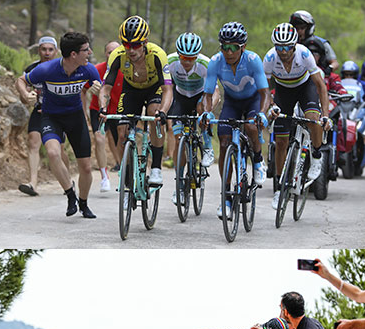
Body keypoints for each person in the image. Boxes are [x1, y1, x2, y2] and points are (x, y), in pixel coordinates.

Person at [17, 31, 101, 218]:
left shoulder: (88, 69)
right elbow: (21, 80)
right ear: (73, 54)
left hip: (75, 118)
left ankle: (84, 204)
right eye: (86, 50)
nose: (89, 53)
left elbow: (102, 92)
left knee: (86, 167)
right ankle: (70, 194)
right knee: (54, 152)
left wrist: (99, 91)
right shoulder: (47, 69)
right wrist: (25, 94)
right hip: (51, 117)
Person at [202, 22, 269, 220]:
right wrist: (207, 112)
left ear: (243, 47)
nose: (228, 52)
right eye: (224, 47)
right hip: (232, 102)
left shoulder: (253, 60)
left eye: (233, 47)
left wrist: (263, 113)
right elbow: (207, 93)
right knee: (224, 142)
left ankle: (257, 159)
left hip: (253, 100)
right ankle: (227, 197)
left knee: (250, 125)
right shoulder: (216, 61)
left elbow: (264, 92)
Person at [99, 17, 173, 187]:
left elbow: (168, 90)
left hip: (155, 88)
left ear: (145, 42)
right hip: (131, 89)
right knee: (122, 129)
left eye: (136, 45)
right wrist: (103, 108)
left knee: (154, 114)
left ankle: (155, 167)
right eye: (126, 44)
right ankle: (127, 178)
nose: (131, 50)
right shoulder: (117, 55)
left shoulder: (158, 55)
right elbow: (106, 88)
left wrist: (163, 112)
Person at [263, 23, 329, 209]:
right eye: (279, 47)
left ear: (294, 45)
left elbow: (320, 86)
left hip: (305, 88)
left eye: (287, 47)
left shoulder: (304, 54)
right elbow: (263, 87)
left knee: (313, 119)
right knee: (281, 141)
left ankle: (316, 155)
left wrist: (325, 115)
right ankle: (279, 188)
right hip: (283, 91)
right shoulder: (269, 58)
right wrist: (272, 106)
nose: (283, 52)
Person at [16, 35, 68, 196]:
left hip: (59, 113)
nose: (47, 53)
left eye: (50, 50)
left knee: (58, 149)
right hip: (39, 111)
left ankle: (67, 180)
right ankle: (32, 183)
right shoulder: (31, 69)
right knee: (33, 142)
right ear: (39, 50)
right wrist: (26, 95)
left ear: (56, 51)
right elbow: (22, 89)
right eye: (44, 49)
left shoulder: (63, 68)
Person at [167, 32, 213, 200]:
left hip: (200, 96)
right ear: (178, 55)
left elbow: (214, 93)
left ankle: (207, 146)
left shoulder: (205, 64)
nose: (186, 62)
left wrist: (207, 112)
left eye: (191, 58)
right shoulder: (170, 61)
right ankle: (179, 184)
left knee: (203, 109)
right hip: (180, 97)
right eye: (183, 57)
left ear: (197, 56)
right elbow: (165, 88)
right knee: (178, 139)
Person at [87, 41, 124, 192]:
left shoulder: (127, 70)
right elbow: (83, 90)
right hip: (99, 110)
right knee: (99, 138)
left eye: (116, 51)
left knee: (120, 140)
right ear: (105, 54)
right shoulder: (97, 70)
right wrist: (84, 113)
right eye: (109, 52)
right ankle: (104, 177)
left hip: (119, 110)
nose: (113, 55)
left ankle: (123, 171)